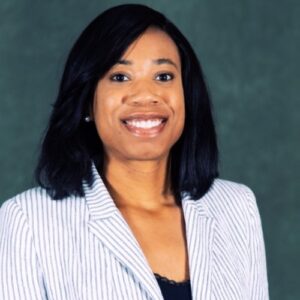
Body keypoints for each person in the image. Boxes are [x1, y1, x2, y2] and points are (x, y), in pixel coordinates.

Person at [0, 4, 269, 300]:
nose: (145, 95)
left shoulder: (236, 207)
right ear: (88, 102)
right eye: (120, 77)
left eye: (164, 76)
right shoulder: (28, 220)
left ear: (187, 96)